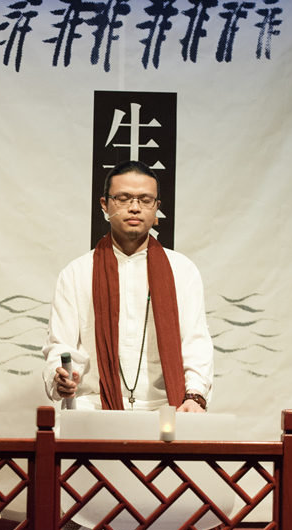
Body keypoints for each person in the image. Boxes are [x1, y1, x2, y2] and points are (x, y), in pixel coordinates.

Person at [43, 160, 213, 413]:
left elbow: (195, 342)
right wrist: (61, 377)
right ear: (105, 204)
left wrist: (195, 395)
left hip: (167, 407)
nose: (135, 208)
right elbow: (61, 345)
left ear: (157, 208)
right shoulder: (77, 272)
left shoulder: (182, 270)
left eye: (145, 200)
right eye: (123, 199)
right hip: (94, 405)